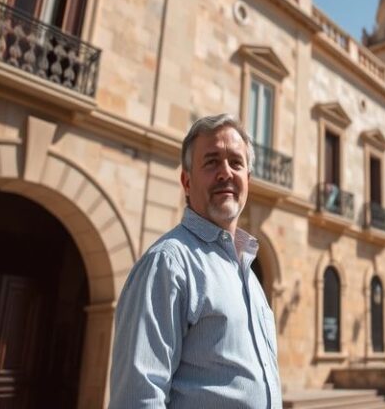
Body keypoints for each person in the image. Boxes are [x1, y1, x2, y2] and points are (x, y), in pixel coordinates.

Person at [108, 114, 281, 408]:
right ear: (186, 182)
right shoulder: (168, 263)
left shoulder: (248, 273)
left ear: (248, 181)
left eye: (236, 163)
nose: (226, 172)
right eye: (212, 162)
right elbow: (138, 398)